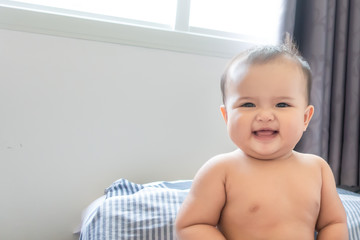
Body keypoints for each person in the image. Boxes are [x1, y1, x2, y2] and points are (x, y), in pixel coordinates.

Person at [175, 38, 348, 240]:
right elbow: (191, 224)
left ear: (305, 118)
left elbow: (333, 223)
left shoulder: (317, 169)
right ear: (227, 116)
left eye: (282, 105)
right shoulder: (220, 170)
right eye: (248, 105)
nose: (265, 115)